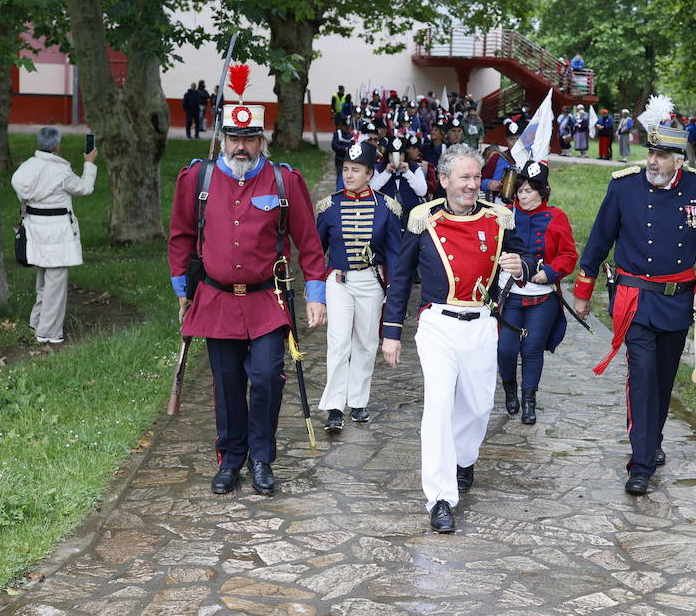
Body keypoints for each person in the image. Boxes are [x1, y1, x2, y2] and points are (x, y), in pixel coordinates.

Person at [167, 79, 327, 497]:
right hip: (217, 299)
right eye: (234, 138)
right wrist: (182, 288)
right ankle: (230, 459)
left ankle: (261, 458)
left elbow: (309, 241)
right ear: (223, 139)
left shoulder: (283, 181)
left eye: (250, 139)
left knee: (267, 379)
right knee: (227, 385)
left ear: (262, 141)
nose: (242, 147)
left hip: (266, 301)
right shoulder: (196, 179)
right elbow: (181, 235)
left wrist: (315, 294)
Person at [381, 145, 530, 533]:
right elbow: (400, 279)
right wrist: (391, 333)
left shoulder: (500, 218)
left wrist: (521, 264)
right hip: (437, 325)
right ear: (444, 180)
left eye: (476, 177)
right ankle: (440, 498)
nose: (471, 184)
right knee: (439, 407)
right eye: (463, 177)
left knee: (479, 407)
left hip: (481, 323)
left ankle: (464, 460)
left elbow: (525, 257)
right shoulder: (422, 219)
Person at [572, 122, 696, 496]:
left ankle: (651, 442)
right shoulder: (623, 186)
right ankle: (639, 464)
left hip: (677, 300)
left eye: (661, 156)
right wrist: (583, 288)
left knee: (662, 378)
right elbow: (600, 238)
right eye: (650, 153)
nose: (652, 162)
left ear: (678, 160)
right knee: (640, 376)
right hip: (635, 299)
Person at [314, 140, 403, 432]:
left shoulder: (387, 208)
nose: (349, 175)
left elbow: (395, 254)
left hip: (371, 281)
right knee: (338, 342)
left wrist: (394, 290)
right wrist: (314, 291)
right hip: (338, 281)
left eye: (356, 170)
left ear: (369, 173)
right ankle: (335, 407)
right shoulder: (329, 206)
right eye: (346, 169)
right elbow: (317, 252)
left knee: (365, 343)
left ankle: (359, 400)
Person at [496, 161, 578, 426]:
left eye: (530, 191)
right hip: (511, 294)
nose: (524, 196)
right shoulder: (505, 215)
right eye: (520, 190)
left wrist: (551, 273)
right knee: (506, 349)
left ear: (543, 192)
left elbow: (568, 255)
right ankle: (510, 389)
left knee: (532, 348)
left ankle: (529, 400)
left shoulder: (557, 217)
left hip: (542, 295)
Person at [11, 127, 99, 345]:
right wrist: (89, 163)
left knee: (43, 279)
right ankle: (48, 333)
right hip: (58, 232)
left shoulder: (26, 168)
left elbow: (21, 190)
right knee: (56, 284)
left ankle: (37, 321)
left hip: (35, 230)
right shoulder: (61, 171)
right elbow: (85, 188)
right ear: (57, 146)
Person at [371, 135, 429, 220]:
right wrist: (386, 173)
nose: (396, 158)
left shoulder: (414, 168)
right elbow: (371, 190)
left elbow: (422, 191)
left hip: (410, 215)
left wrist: (408, 173)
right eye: (392, 154)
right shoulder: (380, 168)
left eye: (400, 154)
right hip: (386, 215)